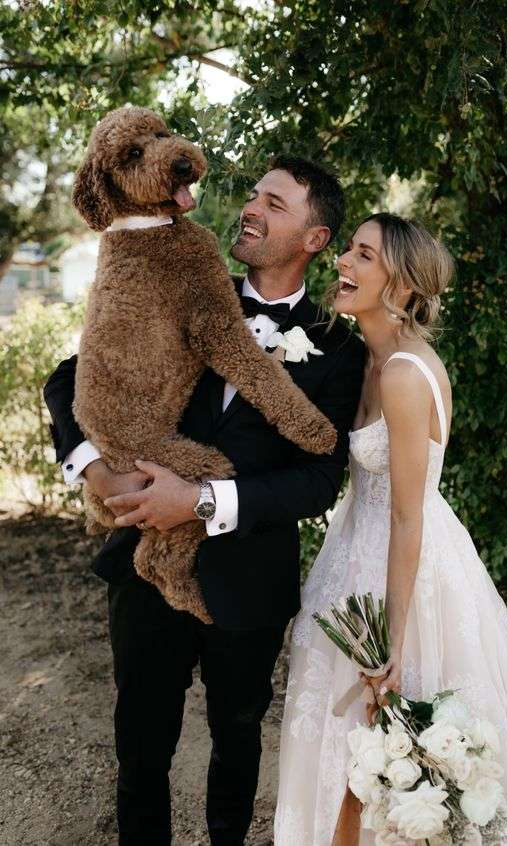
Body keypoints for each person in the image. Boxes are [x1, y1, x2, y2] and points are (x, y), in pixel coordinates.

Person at [43, 156, 365, 846]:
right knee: (141, 746)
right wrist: (94, 470)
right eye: (254, 196)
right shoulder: (178, 283)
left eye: (274, 204)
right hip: (143, 563)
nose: (251, 209)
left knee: (238, 740)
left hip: (249, 575)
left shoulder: (339, 348)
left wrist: (202, 500)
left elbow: (318, 478)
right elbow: (70, 378)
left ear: (314, 238)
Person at [274, 212, 507, 845]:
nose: (343, 262)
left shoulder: (405, 376)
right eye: (348, 250)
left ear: (401, 285)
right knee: (351, 748)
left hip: (406, 569)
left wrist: (394, 641)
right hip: (354, 551)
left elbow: (408, 516)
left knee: (403, 739)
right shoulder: (364, 359)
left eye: (364, 256)